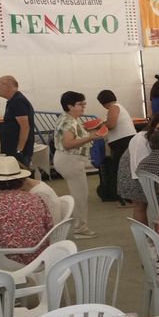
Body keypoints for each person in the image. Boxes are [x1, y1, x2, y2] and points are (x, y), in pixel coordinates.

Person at [0, 156, 53, 264]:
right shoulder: (36, 198)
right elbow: (49, 226)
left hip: (6, 260)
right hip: (39, 257)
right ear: (21, 178)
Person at [53, 90, 105, 239]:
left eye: (84, 103)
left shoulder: (67, 118)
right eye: (80, 104)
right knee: (80, 196)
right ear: (70, 106)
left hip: (66, 159)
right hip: (70, 160)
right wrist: (91, 137)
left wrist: (89, 132)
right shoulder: (69, 121)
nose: (83, 107)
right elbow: (68, 143)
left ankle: (80, 227)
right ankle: (80, 229)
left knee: (79, 194)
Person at [118, 113, 159, 223]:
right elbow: (139, 166)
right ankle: (145, 237)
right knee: (140, 205)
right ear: (152, 127)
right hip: (134, 173)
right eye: (158, 129)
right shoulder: (140, 139)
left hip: (150, 170)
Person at [94, 89, 138, 204]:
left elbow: (111, 125)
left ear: (102, 102)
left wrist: (99, 126)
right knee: (123, 168)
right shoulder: (117, 107)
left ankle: (125, 195)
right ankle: (124, 194)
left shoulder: (113, 108)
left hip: (123, 142)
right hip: (123, 142)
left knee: (121, 169)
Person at [0, 75, 35, 167]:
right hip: (12, 149)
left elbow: (25, 127)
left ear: (9, 86)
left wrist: (19, 150)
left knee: (18, 178)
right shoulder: (13, 101)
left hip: (17, 151)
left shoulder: (18, 102)